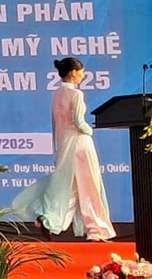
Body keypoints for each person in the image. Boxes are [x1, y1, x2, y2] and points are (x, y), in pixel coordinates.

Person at [12, 57, 115, 241]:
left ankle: (49, 219)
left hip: (64, 145)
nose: (83, 75)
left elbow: (56, 126)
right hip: (80, 144)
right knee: (90, 186)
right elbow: (79, 122)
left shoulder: (57, 94)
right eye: (81, 72)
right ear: (73, 72)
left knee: (72, 187)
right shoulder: (76, 94)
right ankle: (96, 229)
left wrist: (58, 148)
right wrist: (90, 130)